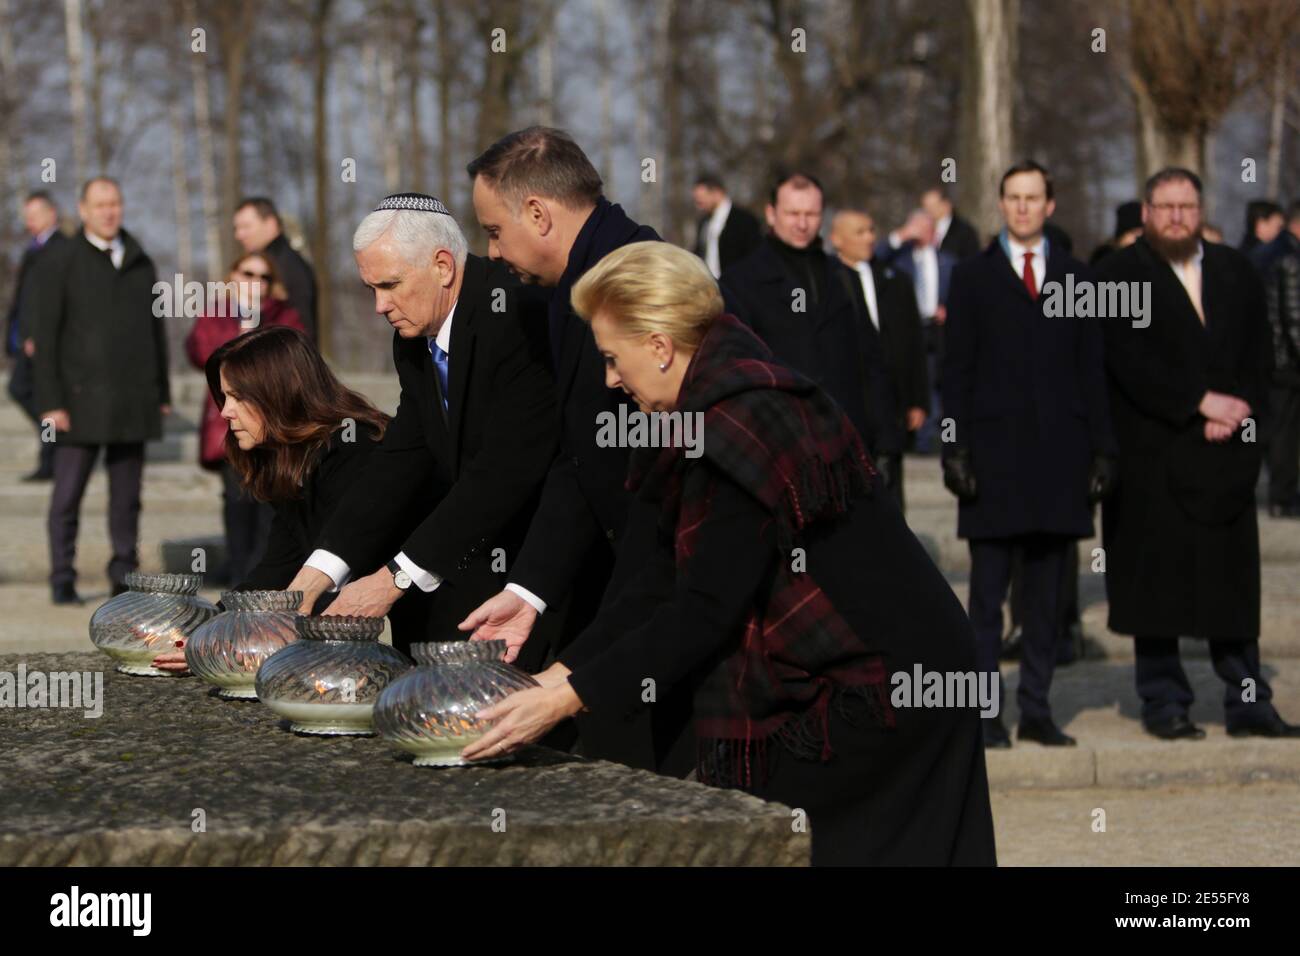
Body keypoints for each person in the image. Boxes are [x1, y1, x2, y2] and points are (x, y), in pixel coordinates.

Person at [461, 241, 997, 867]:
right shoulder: (703, 409)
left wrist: (565, 701)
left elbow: (703, 609)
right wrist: (553, 677)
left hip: (885, 687)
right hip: (862, 671)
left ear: (659, 347)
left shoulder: (737, 420)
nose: (609, 379)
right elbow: (658, 580)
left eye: (613, 358)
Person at [459, 127, 673, 772]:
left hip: (666, 578)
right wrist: (528, 589)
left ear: (538, 214)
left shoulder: (638, 279)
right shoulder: (574, 281)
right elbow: (580, 454)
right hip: (633, 583)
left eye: (494, 231)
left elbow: (663, 473)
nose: (492, 253)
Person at [284, 193, 558, 656]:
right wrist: (320, 571)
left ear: (443, 266)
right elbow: (404, 457)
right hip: (473, 550)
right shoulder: (413, 337)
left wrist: (396, 577)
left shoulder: (512, 314)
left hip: (543, 560)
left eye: (390, 285)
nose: (379, 306)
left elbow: (504, 470)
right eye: (371, 289)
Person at [1096, 167, 1300, 740]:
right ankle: (1164, 702)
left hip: (1226, 457)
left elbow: (1261, 355)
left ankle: (1247, 700)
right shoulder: (1117, 275)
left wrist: (1238, 412)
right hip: (1153, 457)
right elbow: (1125, 360)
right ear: (1146, 212)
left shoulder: (1236, 271)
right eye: (1166, 207)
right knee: (1155, 587)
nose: (1178, 217)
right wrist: (1197, 402)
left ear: (1200, 210)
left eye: (1187, 206)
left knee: (1231, 587)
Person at [942, 160, 1117, 749]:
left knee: (1046, 601)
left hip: (1059, 462)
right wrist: (953, 449)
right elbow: (955, 372)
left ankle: (1037, 710)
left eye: (1032, 197)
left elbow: (1094, 370)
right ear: (1002, 204)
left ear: (1050, 205)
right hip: (991, 464)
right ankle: (984, 713)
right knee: (987, 600)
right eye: (1012, 197)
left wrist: (1104, 451)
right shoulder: (970, 277)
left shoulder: (1079, 278)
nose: (1021, 207)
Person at [151, 325, 389, 674]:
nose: (225, 413)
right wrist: (211, 630)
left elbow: (329, 579)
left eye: (238, 397)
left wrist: (227, 643)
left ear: (279, 392)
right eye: (224, 397)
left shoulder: (355, 448)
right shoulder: (294, 459)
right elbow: (278, 569)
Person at [33, 177, 169, 605]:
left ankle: (123, 576)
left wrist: (160, 391)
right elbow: (44, 334)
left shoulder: (140, 260)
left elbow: (155, 331)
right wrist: (52, 401)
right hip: (77, 400)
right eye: (100, 204)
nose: (110, 211)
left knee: (127, 498)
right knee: (67, 496)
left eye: (115, 203)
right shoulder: (62, 260)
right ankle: (62, 577)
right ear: (83, 209)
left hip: (133, 399)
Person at [720, 171, 901, 484]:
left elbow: (872, 363)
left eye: (811, 214)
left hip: (847, 448)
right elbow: (733, 372)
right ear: (771, 213)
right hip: (778, 453)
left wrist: (887, 442)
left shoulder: (844, 277)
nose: (802, 223)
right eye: (793, 213)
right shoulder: (740, 282)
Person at [185, 252, 306, 585]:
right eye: (248, 272)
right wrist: (244, 325)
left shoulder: (285, 315)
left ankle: (266, 582)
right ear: (233, 275)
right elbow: (203, 354)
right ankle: (241, 581)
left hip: (273, 428)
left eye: (263, 277)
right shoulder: (215, 314)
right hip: (229, 427)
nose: (255, 282)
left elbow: (292, 360)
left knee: (270, 505)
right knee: (237, 503)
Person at [829, 207, 928, 511]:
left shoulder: (896, 280)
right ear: (837, 239)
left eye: (871, 230)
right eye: (859, 232)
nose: (869, 238)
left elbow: (914, 343)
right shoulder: (826, 282)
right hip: (845, 404)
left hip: (890, 403)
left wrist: (917, 399)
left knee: (890, 491)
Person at [876, 208, 957, 455]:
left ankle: (936, 440)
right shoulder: (898, 260)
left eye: (925, 228)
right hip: (909, 329)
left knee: (938, 383)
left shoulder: (948, 261)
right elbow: (874, 257)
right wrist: (901, 235)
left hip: (938, 330)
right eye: (917, 228)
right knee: (914, 380)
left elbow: (963, 292)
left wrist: (949, 308)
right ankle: (917, 441)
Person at [5, 191, 66, 482]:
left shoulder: (62, 248)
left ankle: (53, 455)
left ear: (51, 213)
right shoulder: (33, 249)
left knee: (43, 398)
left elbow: (53, 300)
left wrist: (39, 335)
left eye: (34, 215)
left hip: (44, 341)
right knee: (31, 395)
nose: (28, 222)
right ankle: (53, 448)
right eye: (26, 217)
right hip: (27, 340)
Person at [233, 197, 318, 341]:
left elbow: (302, 331)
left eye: (246, 227)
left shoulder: (286, 266)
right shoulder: (277, 261)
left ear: (270, 224)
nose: (239, 235)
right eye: (237, 228)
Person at [1262, 201, 1300, 517]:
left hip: (1270, 357)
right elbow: (1294, 317)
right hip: (1286, 361)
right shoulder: (1291, 258)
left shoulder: (1268, 251)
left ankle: (1280, 494)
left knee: (1278, 427)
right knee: (1286, 431)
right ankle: (1283, 496)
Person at [691, 174, 761, 278]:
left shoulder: (744, 220)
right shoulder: (704, 223)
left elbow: (754, 258)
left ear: (716, 193)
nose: (699, 206)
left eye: (701, 200)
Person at [920, 186, 981, 261]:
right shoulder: (923, 231)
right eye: (925, 207)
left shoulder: (965, 232)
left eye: (932, 206)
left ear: (946, 205)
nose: (928, 211)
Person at [1088, 200, 1142, 265]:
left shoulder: (1146, 260)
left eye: (1143, 234)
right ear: (1122, 235)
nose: (1140, 238)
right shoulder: (1104, 259)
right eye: (1134, 234)